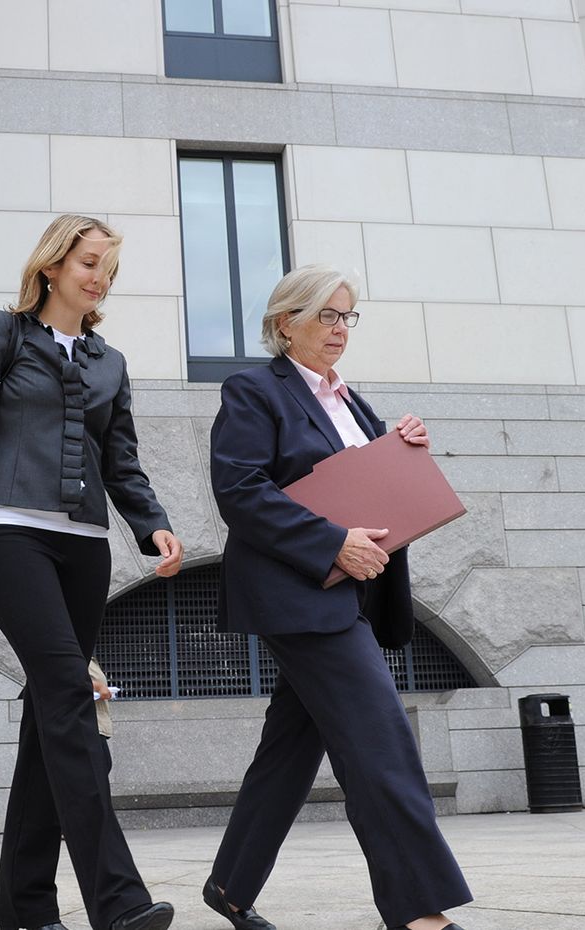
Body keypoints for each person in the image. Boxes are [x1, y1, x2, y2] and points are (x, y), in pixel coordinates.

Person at [0, 214, 185, 930]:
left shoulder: (110, 362)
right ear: (52, 265)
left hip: (85, 545)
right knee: (72, 696)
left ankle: (24, 908)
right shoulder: (2, 332)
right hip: (7, 532)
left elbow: (120, 458)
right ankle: (119, 901)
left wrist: (152, 521)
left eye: (107, 266)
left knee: (49, 718)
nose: (98, 276)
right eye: (88, 261)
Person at [202, 265, 473, 930]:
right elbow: (239, 490)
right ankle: (418, 911)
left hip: (354, 594)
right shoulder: (253, 390)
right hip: (297, 594)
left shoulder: (351, 402)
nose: (339, 329)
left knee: (291, 750)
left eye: (348, 316)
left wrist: (405, 451)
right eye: (327, 315)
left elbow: (368, 483)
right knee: (380, 738)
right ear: (285, 322)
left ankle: (230, 887)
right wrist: (330, 544)